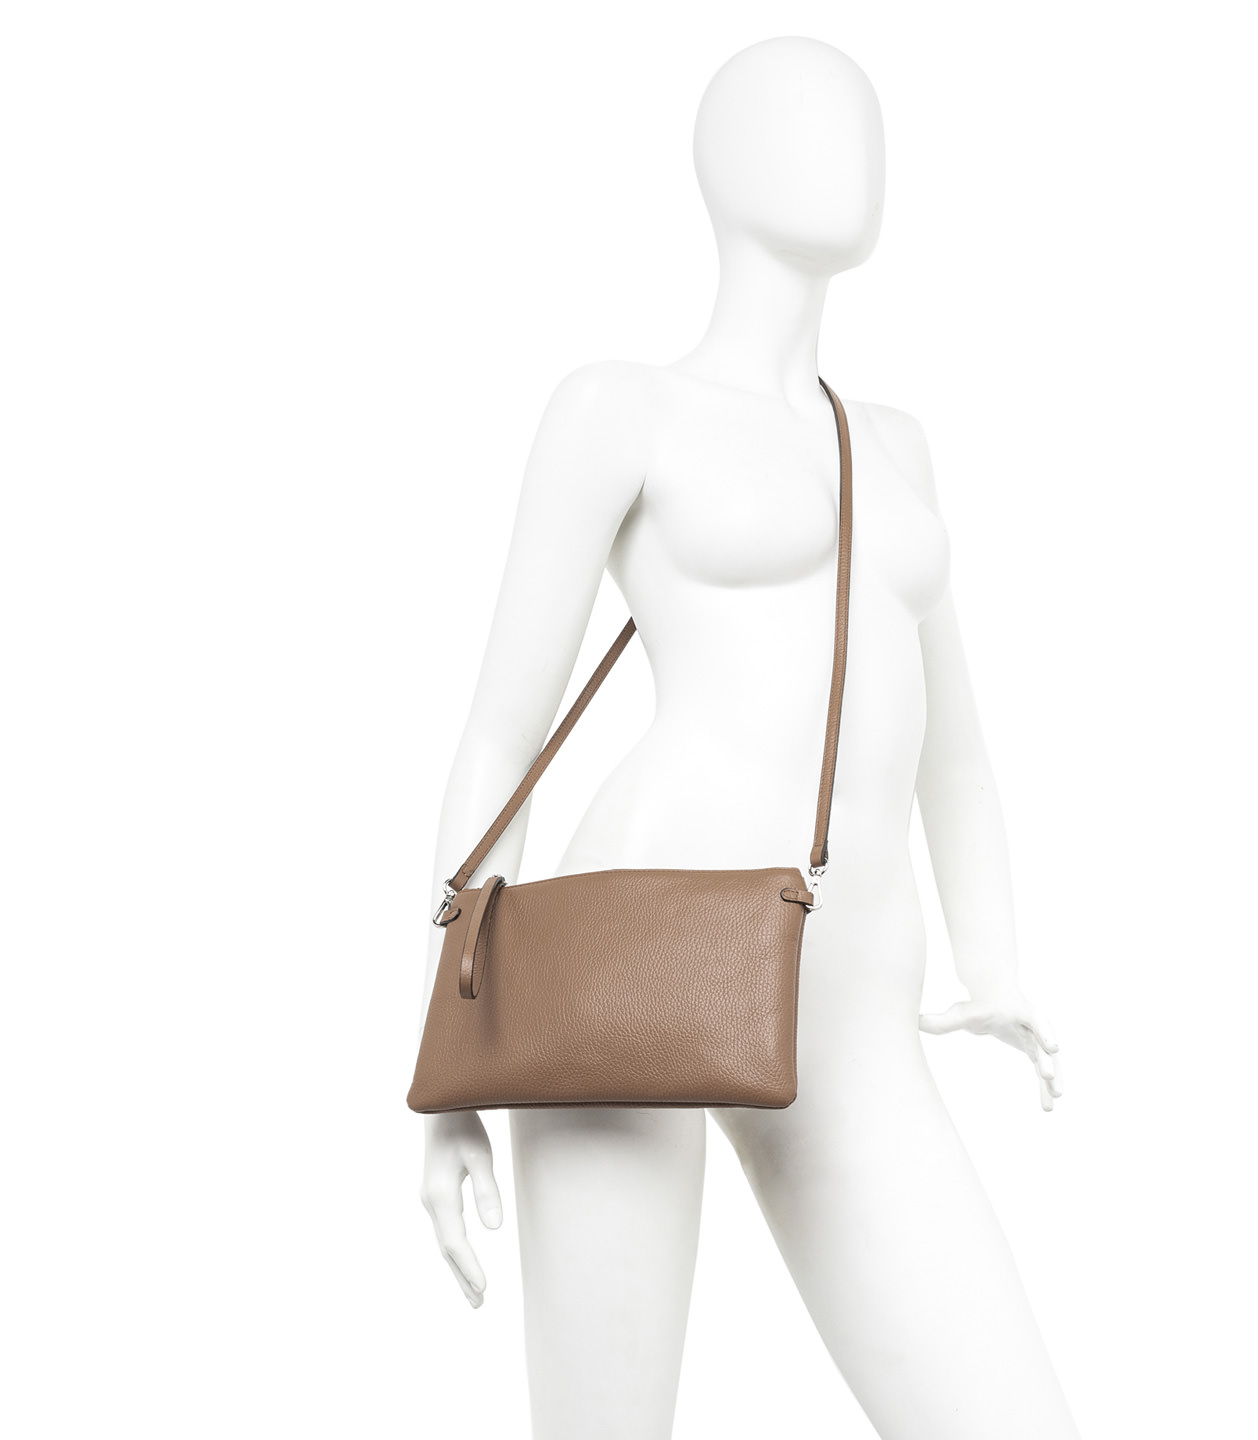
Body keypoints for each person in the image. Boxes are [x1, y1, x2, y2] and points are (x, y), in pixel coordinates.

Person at [417, 36, 1078, 1440]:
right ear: (718, 166)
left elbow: (958, 750)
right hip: (637, 947)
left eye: (863, 122)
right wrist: (448, 1061)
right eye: (799, 120)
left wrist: (997, 961)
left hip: (856, 993)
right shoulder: (620, 407)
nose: (846, 149)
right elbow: (498, 738)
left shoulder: (895, 444)